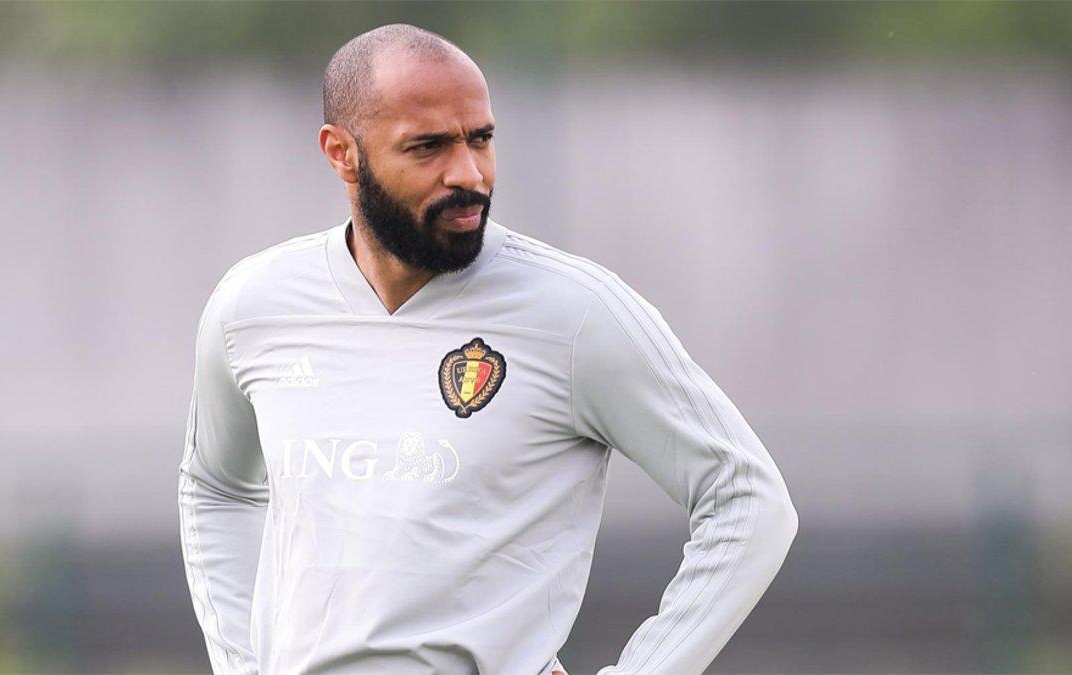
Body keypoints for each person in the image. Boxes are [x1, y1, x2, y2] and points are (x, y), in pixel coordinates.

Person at [178, 23, 798, 675]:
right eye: (428, 148)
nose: (468, 173)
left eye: (481, 139)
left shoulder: (576, 312)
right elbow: (216, 486)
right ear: (343, 154)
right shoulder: (254, 304)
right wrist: (239, 663)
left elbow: (747, 498)